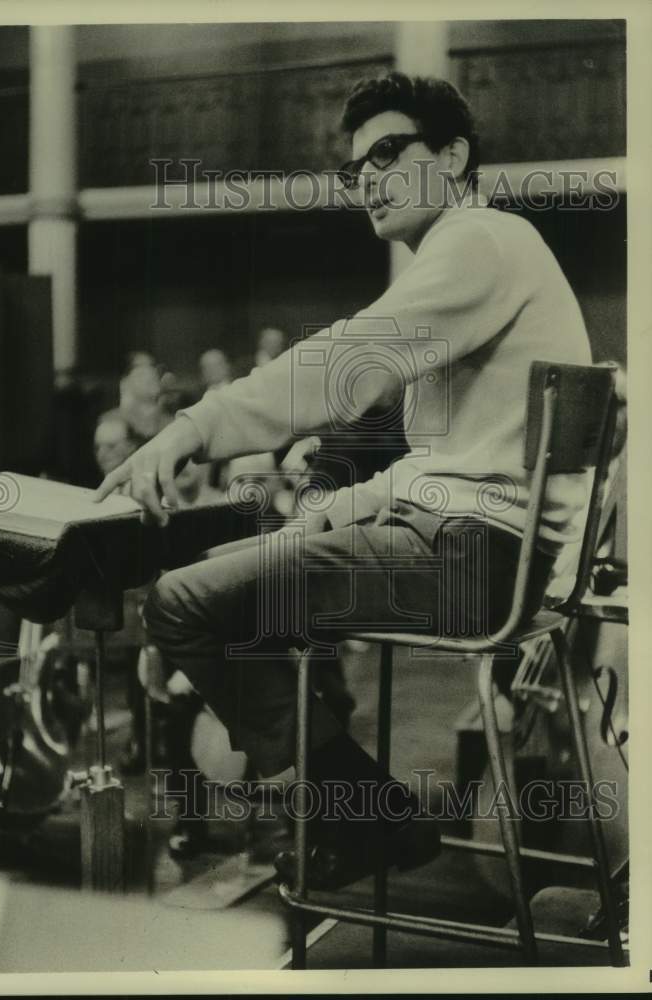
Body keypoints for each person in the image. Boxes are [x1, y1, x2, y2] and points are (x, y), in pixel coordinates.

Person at [96, 71, 591, 890]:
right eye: (356, 167)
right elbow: (439, 463)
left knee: (179, 603)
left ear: (455, 155)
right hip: (487, 554)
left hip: (474, 562)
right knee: (249, 595)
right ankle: (359, 816)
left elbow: (335, 369)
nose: (368, 178)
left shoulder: (480, 241)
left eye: (390, 153)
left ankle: (362, 815)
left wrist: (190, 430)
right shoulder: (484, 255)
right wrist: (330, 511)